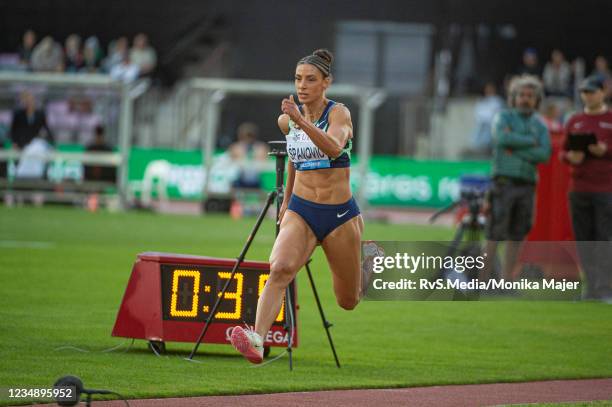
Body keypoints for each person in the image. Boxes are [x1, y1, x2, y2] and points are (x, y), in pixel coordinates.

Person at [229, 49, 364, 364]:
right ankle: (257, 339)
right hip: (302, 210)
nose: (302, 86)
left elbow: (332, 148)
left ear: (326, 82)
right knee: (280, 269)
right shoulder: (287, 120)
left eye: (311, 80)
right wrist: (287, 200)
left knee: (348, 301)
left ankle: (363, 262)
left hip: (339, 215)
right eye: (298, 79)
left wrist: (301, 119)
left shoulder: (338, 114)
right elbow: (294, 159)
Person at [484, 75, 551, 282]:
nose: (525, 99)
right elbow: (501, 138)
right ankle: (483, 280)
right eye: (521, 95)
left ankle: (506, 281)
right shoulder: (503, 118)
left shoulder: (540, 125)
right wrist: (531, 143)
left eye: (530, 96)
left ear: (537, 99)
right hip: (503, 184)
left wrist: (516, 149)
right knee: (494, 233)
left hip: (527, 186)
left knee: (518, 235)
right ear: (513, 97)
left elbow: (544, 155)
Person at [562, 76, 612, 300]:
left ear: (604, 92)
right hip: (578, 187)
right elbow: (562, 152)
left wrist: (606, 151)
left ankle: (604, 287)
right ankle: (590, 287)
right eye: (584, 92)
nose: (587, 96)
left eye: (592, 91)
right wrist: (571, 156)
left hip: (605, 187)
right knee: (583, 239)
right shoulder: (574, 121)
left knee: (604, 238)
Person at [467, 82, 504, 157]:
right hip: (482, 125)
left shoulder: (497, 101)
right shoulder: (482, 101)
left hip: (493, 126)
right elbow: (478, 114)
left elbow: (495, 114)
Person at [228, 122, 269, 189]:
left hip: (255, 180)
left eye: (250, 136)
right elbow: (232, 160)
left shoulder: (261, 147)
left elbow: (264, 159)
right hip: (240, 179)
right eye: (246, 136)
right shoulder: (236, 147)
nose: (248, 139)